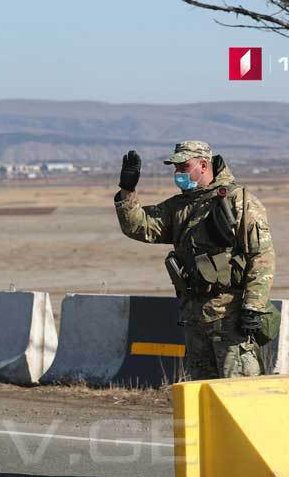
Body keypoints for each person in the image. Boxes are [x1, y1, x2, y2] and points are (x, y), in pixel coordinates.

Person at [114, 141, 275, 379]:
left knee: (239, 391)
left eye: (184, 167)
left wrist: (253, 307)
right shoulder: (179, 207)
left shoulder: (237, 200)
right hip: (194, 319)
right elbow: (139, 226)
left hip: (230, 318)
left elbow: (261, 256)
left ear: (203, 165)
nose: (178, 173)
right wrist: (127, 190)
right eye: (176, 168)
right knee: (201, 393)